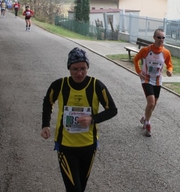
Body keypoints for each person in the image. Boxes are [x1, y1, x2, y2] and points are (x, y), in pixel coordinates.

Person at [40, 47, 118, 192]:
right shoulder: (60, 85)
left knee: (80, 188)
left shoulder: (96, 86)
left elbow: (112, 110)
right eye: (75, 69)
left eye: (83, 68)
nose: (79, 73)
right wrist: (45, 125)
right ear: (69, 68)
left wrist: (92, 118)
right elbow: (48, 102)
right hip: (65, 146)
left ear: (88, 67)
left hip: (88, 146)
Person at [133, 29, 173, 137]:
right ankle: (147, 124)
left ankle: (144, 118)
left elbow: (169, 64)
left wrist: (169, 70)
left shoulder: (166, 52)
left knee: (154, 104)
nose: (161, 40)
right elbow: (135, 59)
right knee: (150, 103)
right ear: (154, 38)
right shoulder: (146, 50)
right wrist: (139, 72)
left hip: (158, 80)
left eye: (163, 38)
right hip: (146, 79)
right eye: (159, 37)